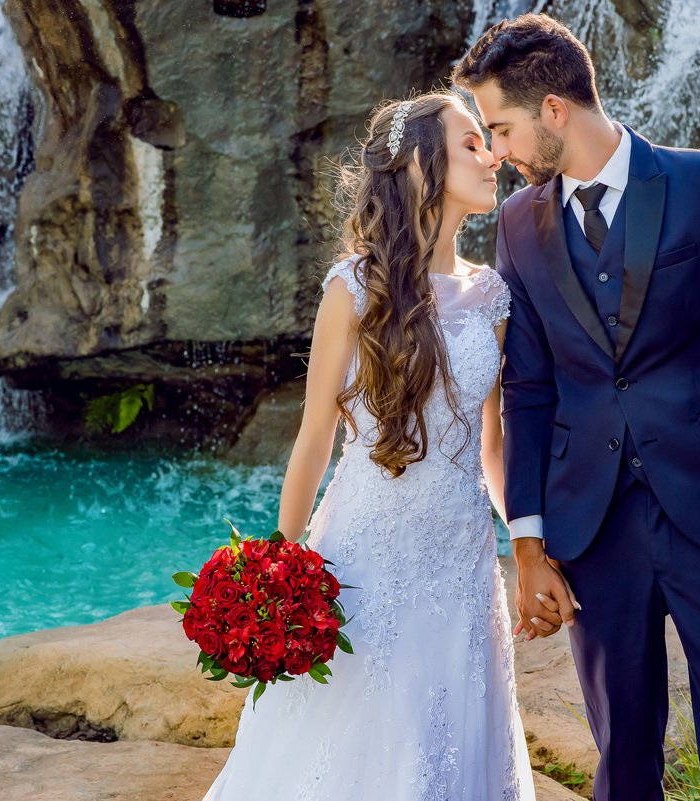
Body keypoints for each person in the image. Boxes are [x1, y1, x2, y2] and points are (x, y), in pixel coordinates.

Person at [453, 14, 700, 801]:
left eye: (502, 128)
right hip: (593, 525)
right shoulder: (517, 225)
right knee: (621, 752)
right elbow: (529, 391)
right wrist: (530, 543)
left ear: (554, 110)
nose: (497, 151)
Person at [202, 91, 536, 801]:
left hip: (463, 563)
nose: (494, 157)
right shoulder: (353, 287)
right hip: (365, 554)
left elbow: (493, 447)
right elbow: (315, 436)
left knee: (451, 745)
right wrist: (276, 571)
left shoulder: (493, 296)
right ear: (418, 166)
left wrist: (533, 551)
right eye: (472, 144)